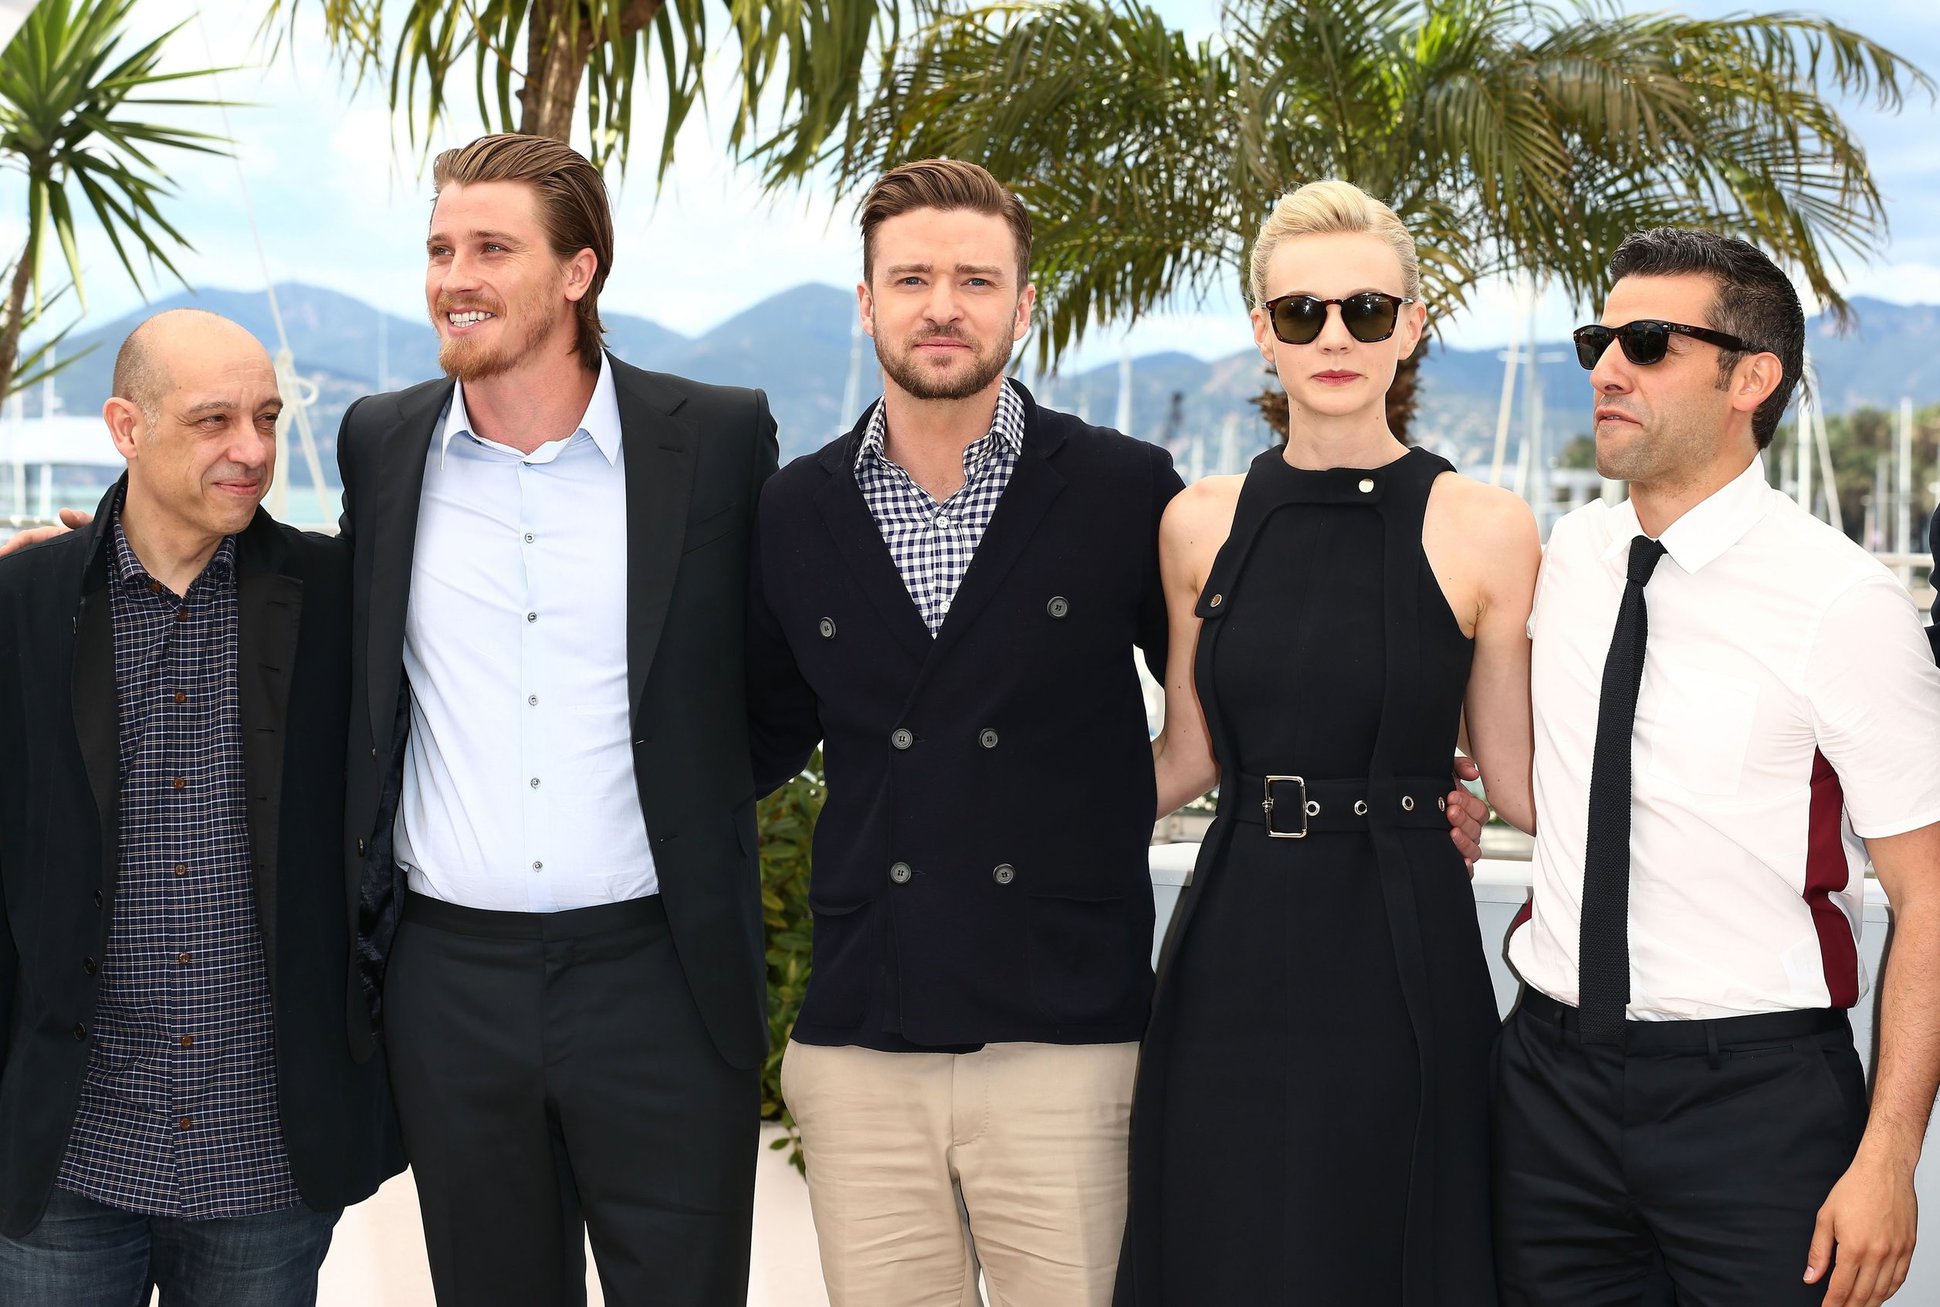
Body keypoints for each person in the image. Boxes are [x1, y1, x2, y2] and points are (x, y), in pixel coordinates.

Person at [335, 134, 777, 1304]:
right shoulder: (382, 442)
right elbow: (328, 626)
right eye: (438, 248)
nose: (451, 276)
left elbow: (777, 682)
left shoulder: (717, 437)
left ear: (578, 272)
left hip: (661, 975)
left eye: (490, 247)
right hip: (449, 983)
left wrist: (692, 803)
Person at [1495, 228, 1940, 1307]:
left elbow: (1926, 898)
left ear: (1751, 378)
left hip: (1754, 1102)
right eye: (1596, 337)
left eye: (1646, 342)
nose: (1604, 366)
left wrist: (1886, 1160)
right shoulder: (1565, 560)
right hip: (1545, 1087)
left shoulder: (1842, 602)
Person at [1114, 179, 1540, 1306]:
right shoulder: (1196, 520)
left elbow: (1518, 785)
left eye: (1365, 308)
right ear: (1263, 334)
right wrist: (1008, 825)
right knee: (1223, 1237)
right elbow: (1188, 754)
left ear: (1410, 325)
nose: (1335, 336)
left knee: (1392, 1237)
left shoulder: (1488, 526)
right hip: (1232, 931)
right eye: (1301, 313)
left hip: (1401, 936)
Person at [0, 310, 402, 1302]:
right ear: (126, 427)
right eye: (214, 420)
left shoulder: (339, 595)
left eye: (266, 417)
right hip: (65, 1152)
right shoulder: (26, 602)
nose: (253, 450)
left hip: (266, 1158)